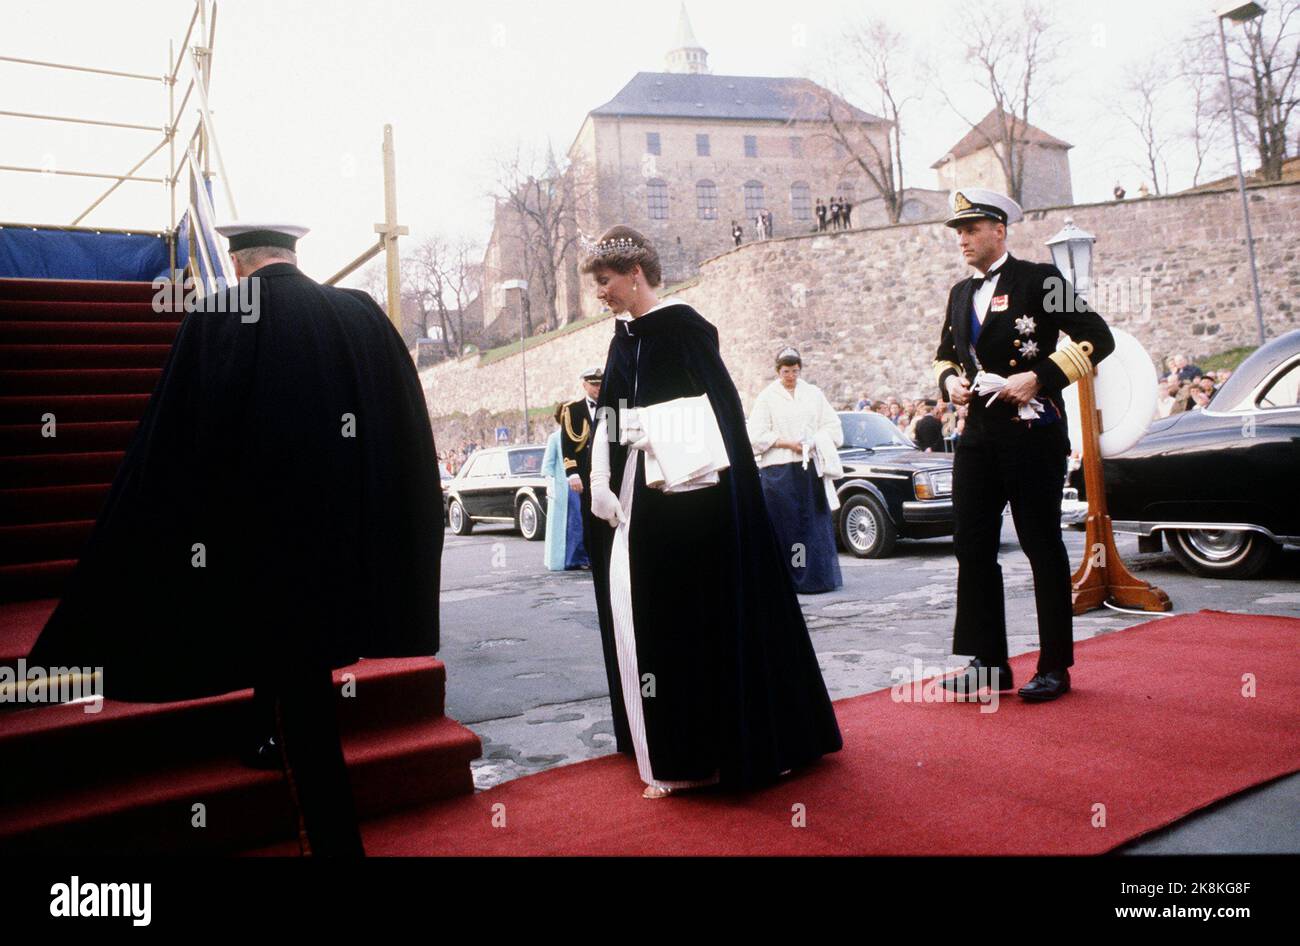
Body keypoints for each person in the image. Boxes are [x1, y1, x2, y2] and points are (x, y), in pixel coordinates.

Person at [28, 222, 445, 855]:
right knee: (301, 684)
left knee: (302, 701)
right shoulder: (357, 312)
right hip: (348, 545)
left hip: (269, 556)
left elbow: (182, 440)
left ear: (237, 261)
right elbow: (402, 423)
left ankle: (335, 845)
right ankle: (264, 739)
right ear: (292, 254)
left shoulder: (222, 313)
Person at [579, 225, 842, 799]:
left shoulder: (685, 327)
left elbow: (720, 413)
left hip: (700, 500)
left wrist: (655, 432)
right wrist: (599, 477)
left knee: (701, 617)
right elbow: (615, 415)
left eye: (605, 282)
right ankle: (678, 746)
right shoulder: (624, 336)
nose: (600, 293)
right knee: (659, 617)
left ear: (635, 275)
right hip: (646, 498)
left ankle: (725, 749)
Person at [932, 189, 1114, 703]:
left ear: (999, 230)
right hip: (979, 436)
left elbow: (1097, 337)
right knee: (972, 545)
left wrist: (1040, 377)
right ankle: (988, 664)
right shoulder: (958, 293)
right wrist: (950, 384)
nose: (963, 239)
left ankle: (1055, 664)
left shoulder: (1039, 280)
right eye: (958, 232)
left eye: (971, 229)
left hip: (1031, 433)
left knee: (1040, 545)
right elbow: (945, 355)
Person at [747, 347, 844, 594]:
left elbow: (832, 427)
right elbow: (755, 435)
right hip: (779, 469)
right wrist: (783, 442)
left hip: (808, 467)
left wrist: (815, 441)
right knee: (788, 524)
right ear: (778, 371)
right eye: (786, 371)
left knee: (811, 522)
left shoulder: (813, 394)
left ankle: (814, 577)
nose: (791, 376)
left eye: (795, 371)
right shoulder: (767, 397)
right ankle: (793, 575)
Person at [541, 403, 589, 571]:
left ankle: (582, 556)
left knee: (580, 521)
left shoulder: (581, 434)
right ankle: (571, 559)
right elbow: (548, 464)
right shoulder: (555, 437)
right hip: (563, 486)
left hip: (578, 483)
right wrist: (549, 483)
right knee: (571, 523)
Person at [561, 367, 602, 558]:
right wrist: (573, 473)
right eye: (594, 384)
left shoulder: (613, 406)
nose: (598, 388)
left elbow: (618, 441)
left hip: (606, 470)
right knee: (588, 515)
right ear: (584, 385)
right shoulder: (572, 410)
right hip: (584, 473)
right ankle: (593, 555)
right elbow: (568, 444)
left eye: (601, 384)